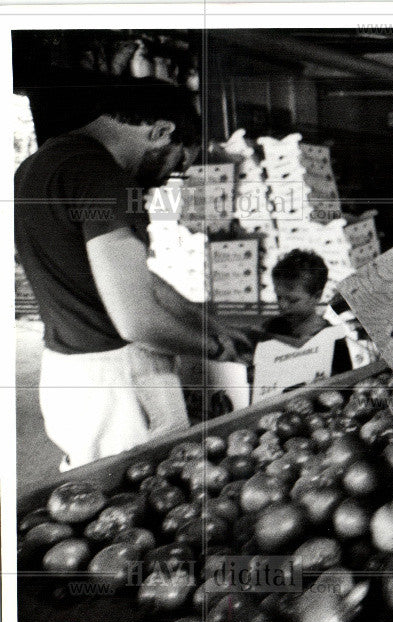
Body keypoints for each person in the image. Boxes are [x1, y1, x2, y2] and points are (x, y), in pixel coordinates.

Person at [14, 77, 253, 470]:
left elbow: (129, 276)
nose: (164, 179)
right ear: (161, 131)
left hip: (68, 371)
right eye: (176, 163)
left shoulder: (36, 167)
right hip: (117, 380)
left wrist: (206, 320)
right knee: (135, 503)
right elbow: (136, 321)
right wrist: (215, 350)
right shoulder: (104, 180)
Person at [263, 249, 352, 375]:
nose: (282, 305)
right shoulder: (272, 329)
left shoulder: (334, 341)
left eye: (292, 300)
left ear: (317, 296)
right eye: (279, 297)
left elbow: (344, 387)